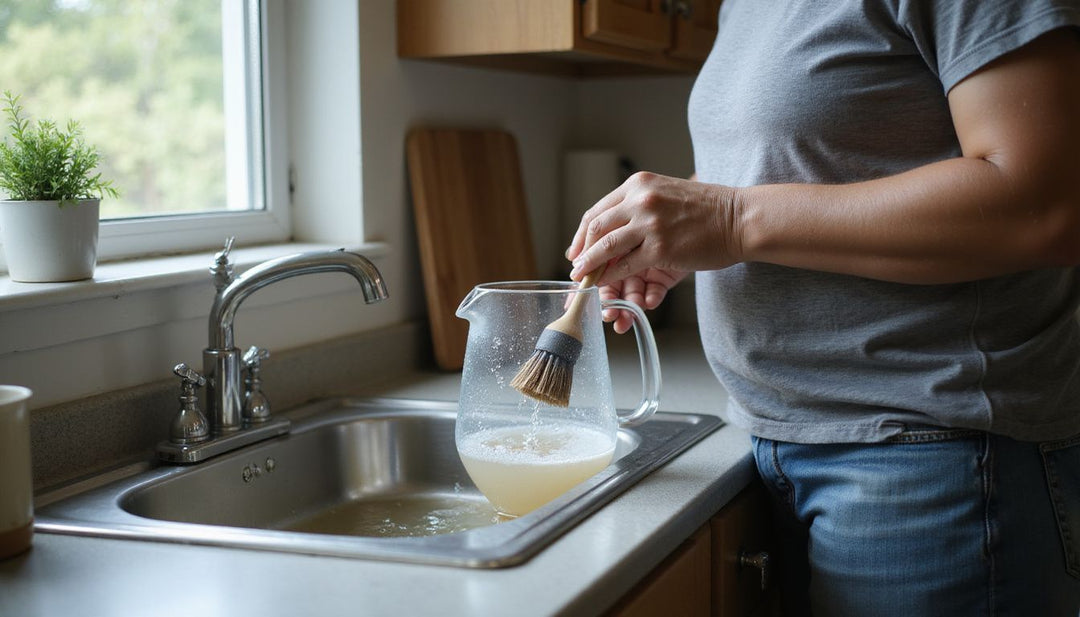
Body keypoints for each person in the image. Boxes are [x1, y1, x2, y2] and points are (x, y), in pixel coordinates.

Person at [565, 2, 1080, 615]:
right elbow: (805, 153)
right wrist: (684, 230)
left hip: (932, 457)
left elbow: (1046, 204)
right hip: (774, 439)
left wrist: (731, 218)